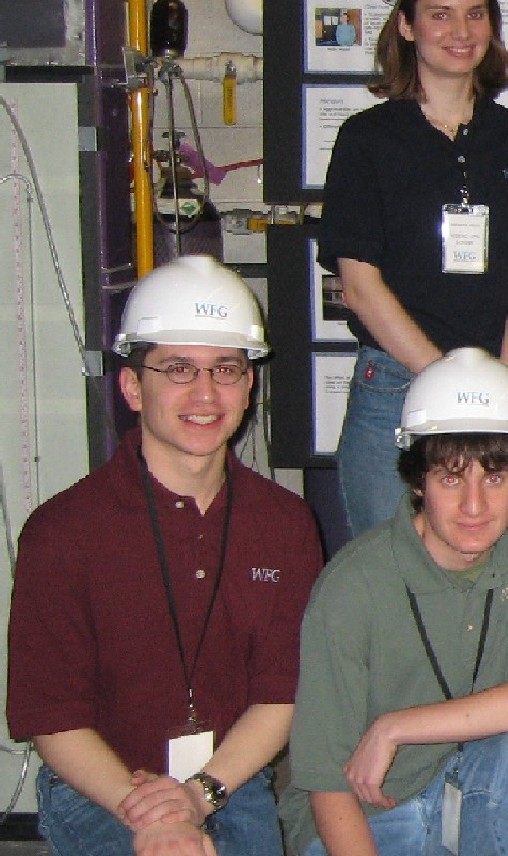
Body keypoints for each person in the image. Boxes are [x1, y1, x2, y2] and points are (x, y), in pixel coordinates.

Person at [8, 256, 323, 856]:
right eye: (178, 368)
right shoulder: (63, 532)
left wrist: (200, 795)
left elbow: (281, 693)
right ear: (132, 386)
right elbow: (52, 718)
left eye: (226, 369)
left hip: (230, 777)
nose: (205, 393)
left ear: (249, 384)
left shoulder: (284, 525)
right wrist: (156, 817)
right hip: (100, 785)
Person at [320, 0, 508, 540]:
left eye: (475, 12)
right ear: (405, 24)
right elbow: (360, 284)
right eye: (439, 13)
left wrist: (502, 394)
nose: (461, 31)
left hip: (504, 384)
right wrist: (450, 387)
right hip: (396, 390)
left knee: (500, 583)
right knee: (386, 580)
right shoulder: (366, 141)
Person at [281, 347, 508, 856]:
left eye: (493, 478)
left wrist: (394, 727)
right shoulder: (353, 585)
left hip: (467, 786)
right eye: (451, 477)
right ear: (418, 481)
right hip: (366, 809)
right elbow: (325, 781)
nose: (474, 506)